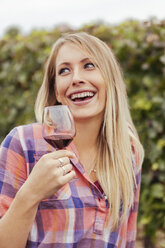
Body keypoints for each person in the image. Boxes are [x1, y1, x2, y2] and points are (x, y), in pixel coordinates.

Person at [0, 32, 144, 248]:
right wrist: (30, 194)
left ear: (110, 79)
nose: (76, 78)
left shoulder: (128, 151)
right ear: (56, 90)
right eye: (64, 70)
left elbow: (127, 239)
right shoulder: (24, 143)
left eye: (89, 65)